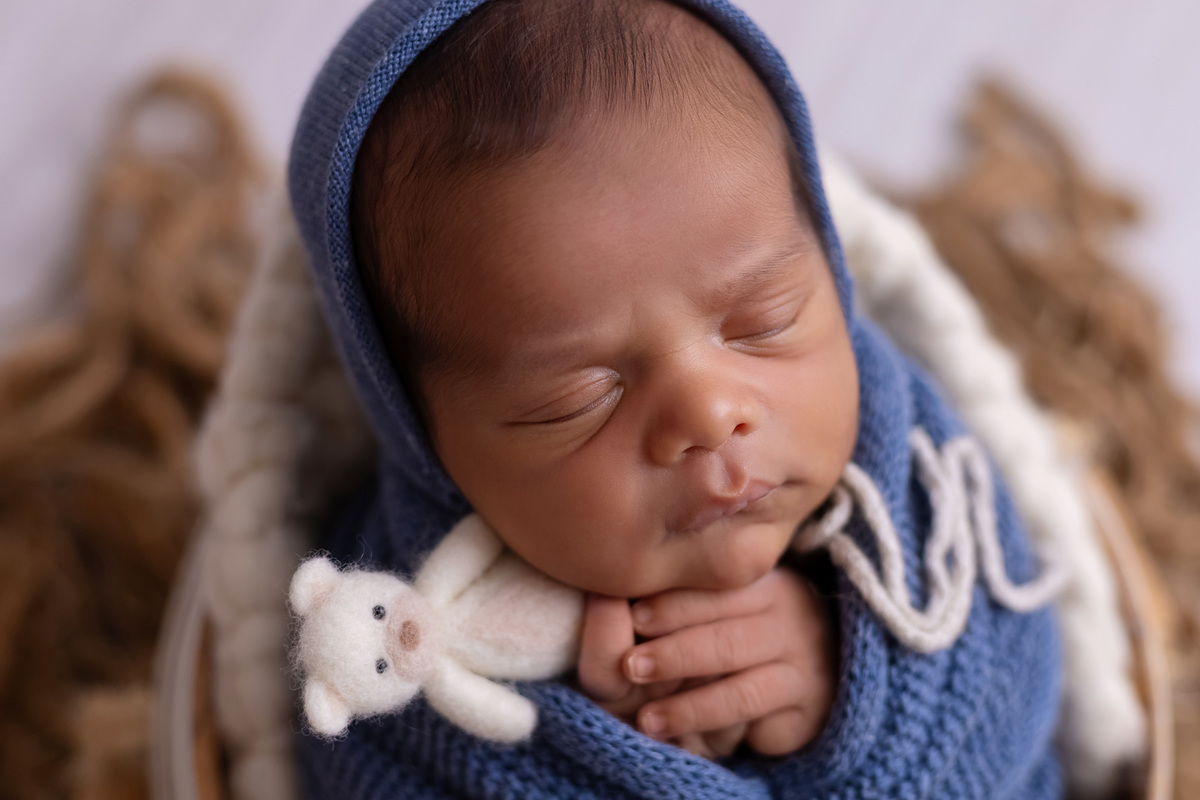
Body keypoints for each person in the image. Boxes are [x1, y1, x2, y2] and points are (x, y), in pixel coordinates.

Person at [287, 0, 1063, 797]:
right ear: (423, 437)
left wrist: (849, 683)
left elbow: (1014, 674)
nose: (708, 413)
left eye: (764, 321)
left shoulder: (922, 482)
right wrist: (650, 767)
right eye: (579, 397)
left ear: (831, 266)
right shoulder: (394, 643)